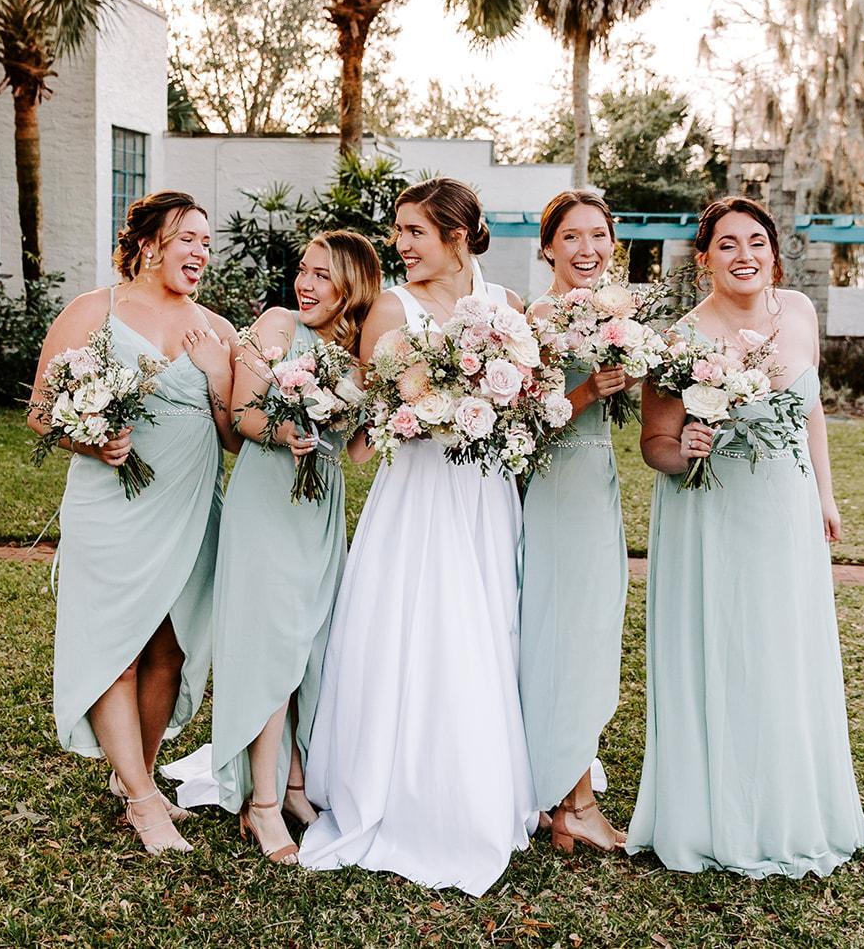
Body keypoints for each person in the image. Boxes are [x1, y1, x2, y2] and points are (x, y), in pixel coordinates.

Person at [298, 178, 538, 896]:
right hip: (419, 495)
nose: (400, 244)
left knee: (486, 624)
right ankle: (400, 781)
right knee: (422, 623)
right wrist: (424, 409)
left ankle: (482, 774)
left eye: (414, 232)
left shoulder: (508, 306)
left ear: (457, 237)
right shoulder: (392, 309)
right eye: (398, 230)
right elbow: (366, 426)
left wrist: (494, 407)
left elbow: (526, 401)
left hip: (485, 494)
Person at [630, 195, 864, 876]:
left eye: (756, 242)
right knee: (725, 645)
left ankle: (789, 805)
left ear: (774, 252)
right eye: (728, 244)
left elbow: (812, 410)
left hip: (786, 507)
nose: (745, 256)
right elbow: (655, 444)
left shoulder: (798, 312)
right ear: (704, 259)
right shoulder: (678, 339)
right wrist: (686, 447)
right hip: (711, 513)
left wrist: (825, 495)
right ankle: (717, 813)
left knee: (783, 649)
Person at [29, 190, 239, 855]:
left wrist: (216, 375)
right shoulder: (95, 311)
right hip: (111, 506)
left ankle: (135, 778)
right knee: (116, 648)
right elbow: (40, 411)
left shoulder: (216, 329)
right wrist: (91, 441)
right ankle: (146, 804)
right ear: (148, 244)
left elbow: (234, 436)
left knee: (168, 650)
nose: (201, 252)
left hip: (189, 506)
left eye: (206, 242)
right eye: (188, 239)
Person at [207, 231, 383, 864]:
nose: (304, 284)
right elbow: (242, 414)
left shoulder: (360, 354)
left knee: (312, 643)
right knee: (274, 642)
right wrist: (286, 431)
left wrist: (396, 405)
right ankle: (261, 803)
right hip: (268, 499)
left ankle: (295, 786)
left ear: (352, 287)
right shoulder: (278, 324)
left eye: (321, 275)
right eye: (303, 271)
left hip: (320, 504)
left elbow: (357, 451)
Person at [520, 190, 632, 853]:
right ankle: (574, 803)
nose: (587, 249)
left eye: (598, 235)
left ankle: (564, 786)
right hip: (559, 483)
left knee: (591, 627)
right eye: (571, 236)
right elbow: (525, 422)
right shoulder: (538, 317)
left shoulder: (615, 312)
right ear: (548, 247)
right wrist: (590, 390)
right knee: (569, 630)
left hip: (597, 477)